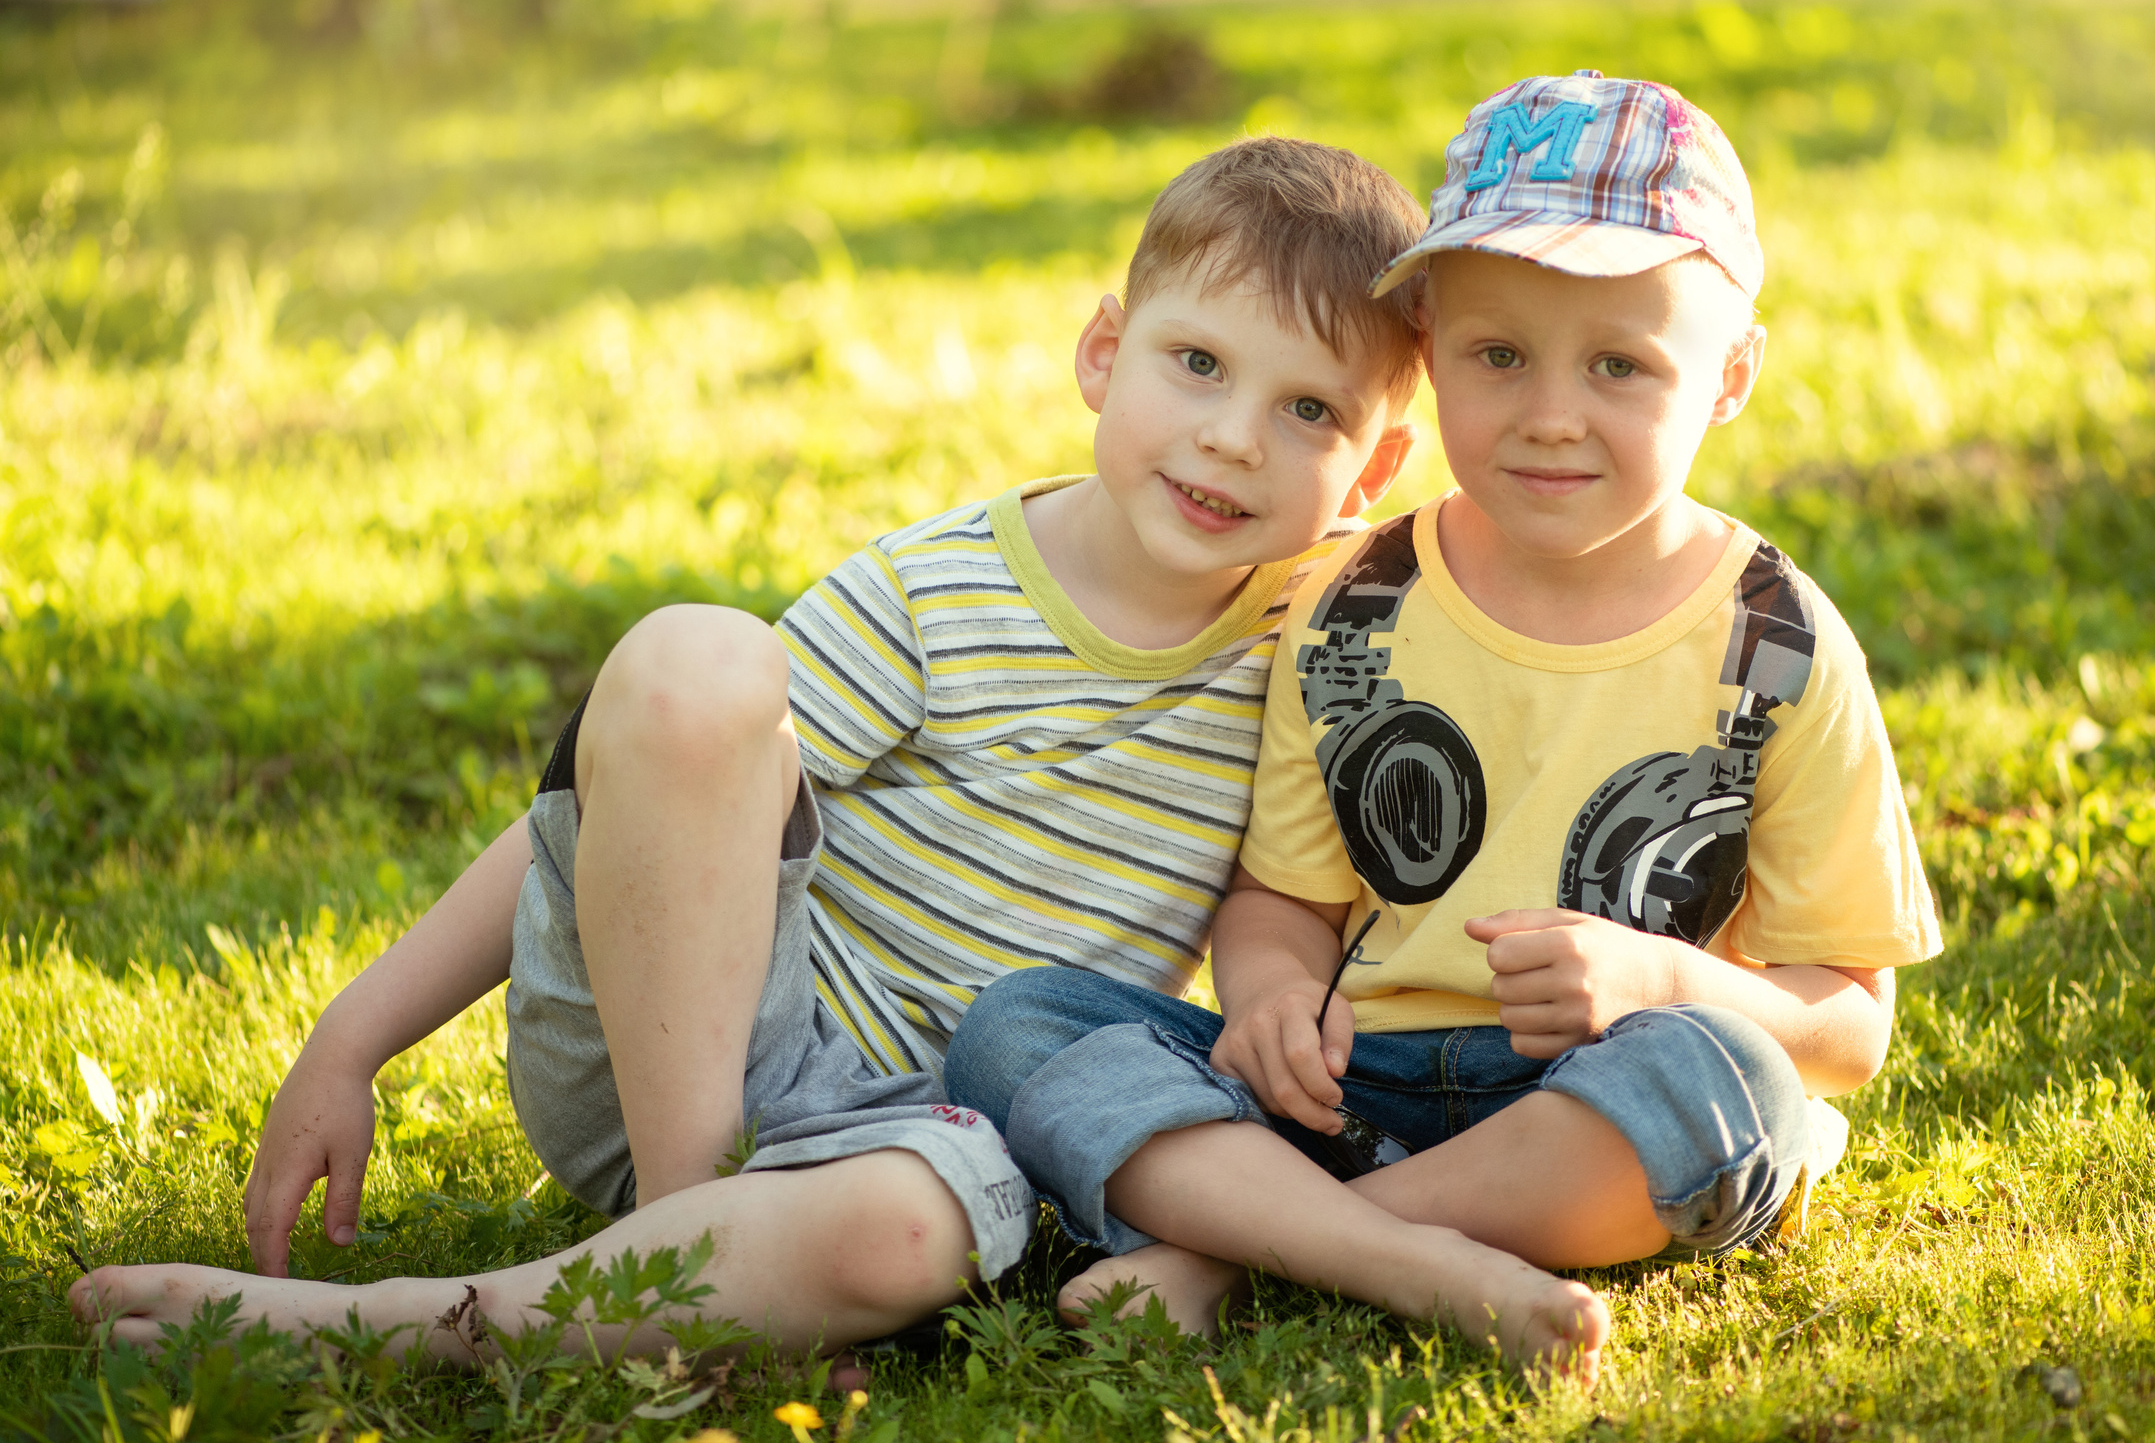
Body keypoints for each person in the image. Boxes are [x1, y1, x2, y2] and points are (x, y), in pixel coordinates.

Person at [71, 136, 1427, 1370]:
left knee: (911, 1245)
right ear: (1102, 353)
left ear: (1371, 474)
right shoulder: (945, 589)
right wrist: (348, 1040)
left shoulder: (1320, 649)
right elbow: (648, 803)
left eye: (1310, 411)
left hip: (923, 1149)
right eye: (1198, 364)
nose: (1232, 436)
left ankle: (406, 1329)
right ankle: (684, 1228)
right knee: (697, 660)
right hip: (692, 1040)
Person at [944, 73, 1944, 1384]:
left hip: (1587, 1103)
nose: (1549, 412)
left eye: (1621, 366)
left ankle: (1255, 1252)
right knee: (1024, 1030)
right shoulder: (1354, 602)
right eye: (1497, 354)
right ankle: (1402, 1255)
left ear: (1731, 376)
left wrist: (1658, 979)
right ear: (1430, 340)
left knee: (1730, 1083)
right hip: (1346, 1092)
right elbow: (1279, 899)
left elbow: (1846, 1026)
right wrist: (1270, 1003)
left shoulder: (1779, 645)